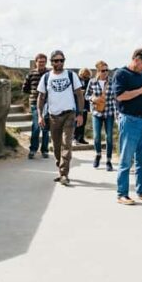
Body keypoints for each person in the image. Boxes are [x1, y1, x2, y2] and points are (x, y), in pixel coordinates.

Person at [114, 48, 142, 205]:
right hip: (130, 121)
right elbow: (120, 96)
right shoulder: (121, 74)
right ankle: (122, 194)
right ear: (137, 59)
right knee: (126, 160)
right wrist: (141, 90)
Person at [37, 50, 84, 186]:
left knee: (66, 144)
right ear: (51, 62)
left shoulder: (71, 75)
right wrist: (40, 116)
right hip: (53, 116)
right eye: (56, 61)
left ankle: (64, 174)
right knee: (57, 146)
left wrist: (80, 113)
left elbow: (79, 95)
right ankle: (60, 168)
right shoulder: (46, 77)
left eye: (61, 60)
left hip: (69, 114)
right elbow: (41, 97)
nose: (59, 63)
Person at [86, 60, 117, 171]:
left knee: (109, 138)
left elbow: (115, 98)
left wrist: (117, 113)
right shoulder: (92, 82)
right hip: (96, 113)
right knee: (96, 137)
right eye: (103, 70)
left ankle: (108, 161)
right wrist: (92, 98)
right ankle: (98, 155)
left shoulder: (112, 81)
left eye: (107, 70)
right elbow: (87, 95)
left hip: (109, 113)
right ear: (98, 71)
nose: (105, 72)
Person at [22, 54, 50, 160]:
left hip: (47, 103)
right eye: (40, 61)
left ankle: (45, 150)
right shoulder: (31, 74)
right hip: (34, 103)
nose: (41, 63)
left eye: (43, 61)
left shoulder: (49, 74)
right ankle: (33, 150)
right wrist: (34, 93)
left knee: (46, 128)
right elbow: (25, 88)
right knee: (36, 126)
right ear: (36, 62)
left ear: (46, 62)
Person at [74, 67, 92, 145]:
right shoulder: (76, 80)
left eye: (86, 77)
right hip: (76, 103)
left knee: (83, 122)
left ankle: (81, 138)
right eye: (84, 76)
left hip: (85, 104)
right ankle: (75, 138)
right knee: (77, 122)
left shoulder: (88, 81)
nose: (85, 78)